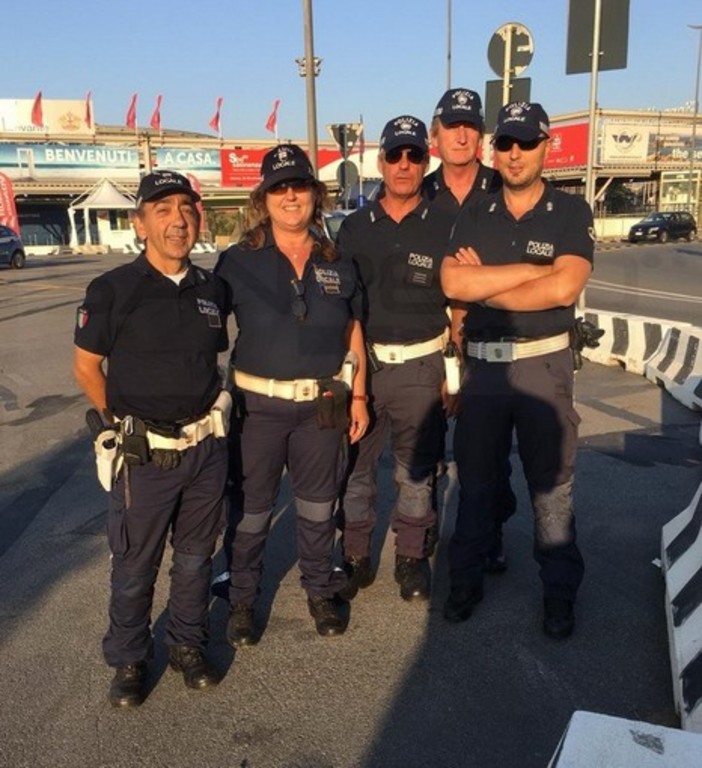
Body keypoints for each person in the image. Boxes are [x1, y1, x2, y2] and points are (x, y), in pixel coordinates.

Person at [73, 170, 231, 708]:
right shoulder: (113, 288)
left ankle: (187, 644)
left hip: (205, 451)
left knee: (194, 558)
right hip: (145, 456)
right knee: (134, 565)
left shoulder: (212, 288)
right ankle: (130, 657)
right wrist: (117, 424)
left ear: (198, 219)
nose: (177, 220)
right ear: (140, 223)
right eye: (162, 210)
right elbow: (87, 365)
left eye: (186, 208)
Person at [440, 102, 595, 638]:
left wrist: (491, 280)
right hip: (482, 371)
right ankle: (465, 582)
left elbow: (565, 287)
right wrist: (532, 270)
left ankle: (558, 594)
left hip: (544, 370)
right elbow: (455, 286)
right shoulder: (476, 212)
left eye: (525, 143)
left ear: (546, 146)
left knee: (551, 489)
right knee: (476, 485)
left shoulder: (571, 213)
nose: (513, 153)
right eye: (504, 143)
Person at [214, 144, 368, 645]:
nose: (290, 195)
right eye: (279, 187)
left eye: (299, 185)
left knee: (319, 506)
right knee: (252, 511)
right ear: (264, 197)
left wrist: (359, 396)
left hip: (322, 407)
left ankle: (320, 589)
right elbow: (203, 332)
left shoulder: (339, 261)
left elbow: (353, 331)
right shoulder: (237, 261)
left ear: (315, 195)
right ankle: (241, 599)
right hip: (257, 410)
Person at [335, 116, 456, 603]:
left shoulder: (447, 223)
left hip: (424, 367)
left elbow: (461, 305)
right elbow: (341, 307)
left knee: (415, 472)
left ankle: (410, 558)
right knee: (357, 471)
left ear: (426, 162)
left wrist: (455, 376)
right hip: (367, 367)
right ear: (380, 161)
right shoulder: (355, 228)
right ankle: (357, 555)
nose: (404, 165)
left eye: (413, 156)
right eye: (394, 155)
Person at [423, 88, 516, 572]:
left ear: (481, 136)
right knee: (430, 442)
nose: (462, 134)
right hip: (426, 333)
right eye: (452, 125)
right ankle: (430, 532)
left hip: (485, 333)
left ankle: (492, 532)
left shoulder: (504, 187)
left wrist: (479, 280)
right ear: (435, 133)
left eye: (470, 126)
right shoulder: (417, 188)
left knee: (489, 449)